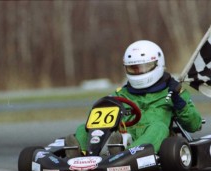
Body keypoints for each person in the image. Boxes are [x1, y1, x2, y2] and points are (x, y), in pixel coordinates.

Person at [66, 40, 202, 157]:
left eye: (144, 67)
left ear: (157, 64)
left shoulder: (174, 93)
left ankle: (128, 154)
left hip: (155, 140)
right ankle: (82, 155)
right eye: (133, 68)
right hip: (121, 138)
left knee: (159, 127)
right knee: (84, 127)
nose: (138, 72)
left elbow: (194, 125)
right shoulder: (120, 94)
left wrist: (179, 102)